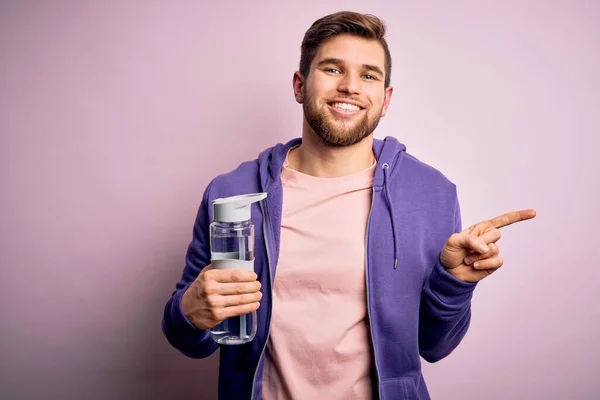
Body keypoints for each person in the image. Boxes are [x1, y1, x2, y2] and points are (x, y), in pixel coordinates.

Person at [161, 10, 536, 400]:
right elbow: (189, 339)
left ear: (385, 99)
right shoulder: (234, 192)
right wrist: (190, 311)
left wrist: (454, 283)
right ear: (299, 84)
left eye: (369, 75)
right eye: (332, 69)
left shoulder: (431, 193)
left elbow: (435, 346)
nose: (350, 87)